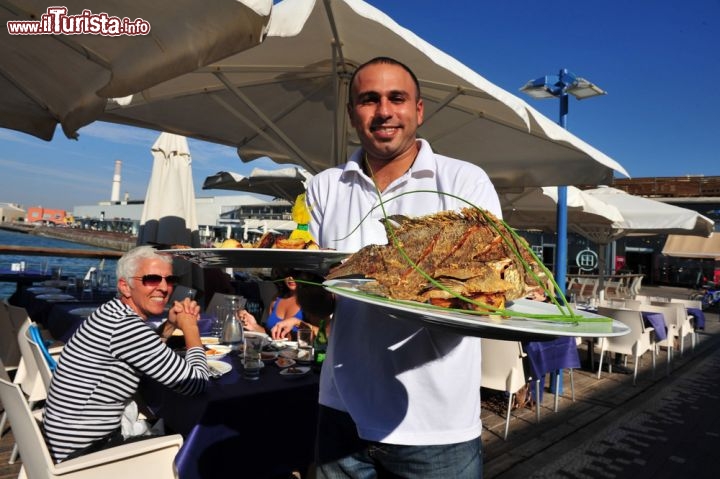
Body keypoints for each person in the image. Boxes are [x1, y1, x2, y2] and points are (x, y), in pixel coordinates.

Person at [305, 56, 502, 478]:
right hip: (341, 410)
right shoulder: (323, 186)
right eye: (368, 99)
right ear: (352, 113)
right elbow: (319, 308)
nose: (383, 111)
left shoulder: (465, 182)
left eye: (397, 98)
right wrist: (296, 279)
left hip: (437, 424)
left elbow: (488, 297)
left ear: (418, 110)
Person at [42, 245, 209, 462]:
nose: (164, 288)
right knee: (199, 445)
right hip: (86, 451)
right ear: (125, 286)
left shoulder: (111, 312)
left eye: (170, 280)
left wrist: (169, 325)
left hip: (64, 437)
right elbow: (196, 383)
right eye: (151, 279)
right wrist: (190, 329)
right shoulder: (126, 327)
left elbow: (142, 351)